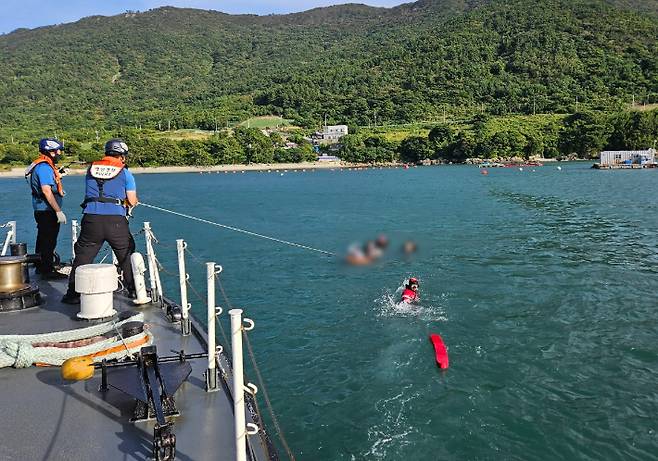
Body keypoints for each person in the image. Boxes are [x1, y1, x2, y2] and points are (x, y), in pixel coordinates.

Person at [62, 139, 138, 304]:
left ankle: (72, 294)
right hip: (116, 220)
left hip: (91, 220)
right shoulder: (125, 173)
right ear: (122, 156)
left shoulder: (91, 170)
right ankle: (133, 291)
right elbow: (131, 200)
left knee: (83, 257)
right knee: (125, 255)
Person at [25, 138, 68, 279]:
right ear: (51, 151)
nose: (60, 152)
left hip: (43, 209)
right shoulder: (44, 167)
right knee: (48, 240)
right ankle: (47, 270)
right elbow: (46, 191)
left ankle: (40, 265)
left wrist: (59, 175)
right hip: (46, 210)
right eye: (58, 150)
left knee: (43, 239)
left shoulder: (43, 166)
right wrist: (58, 211)